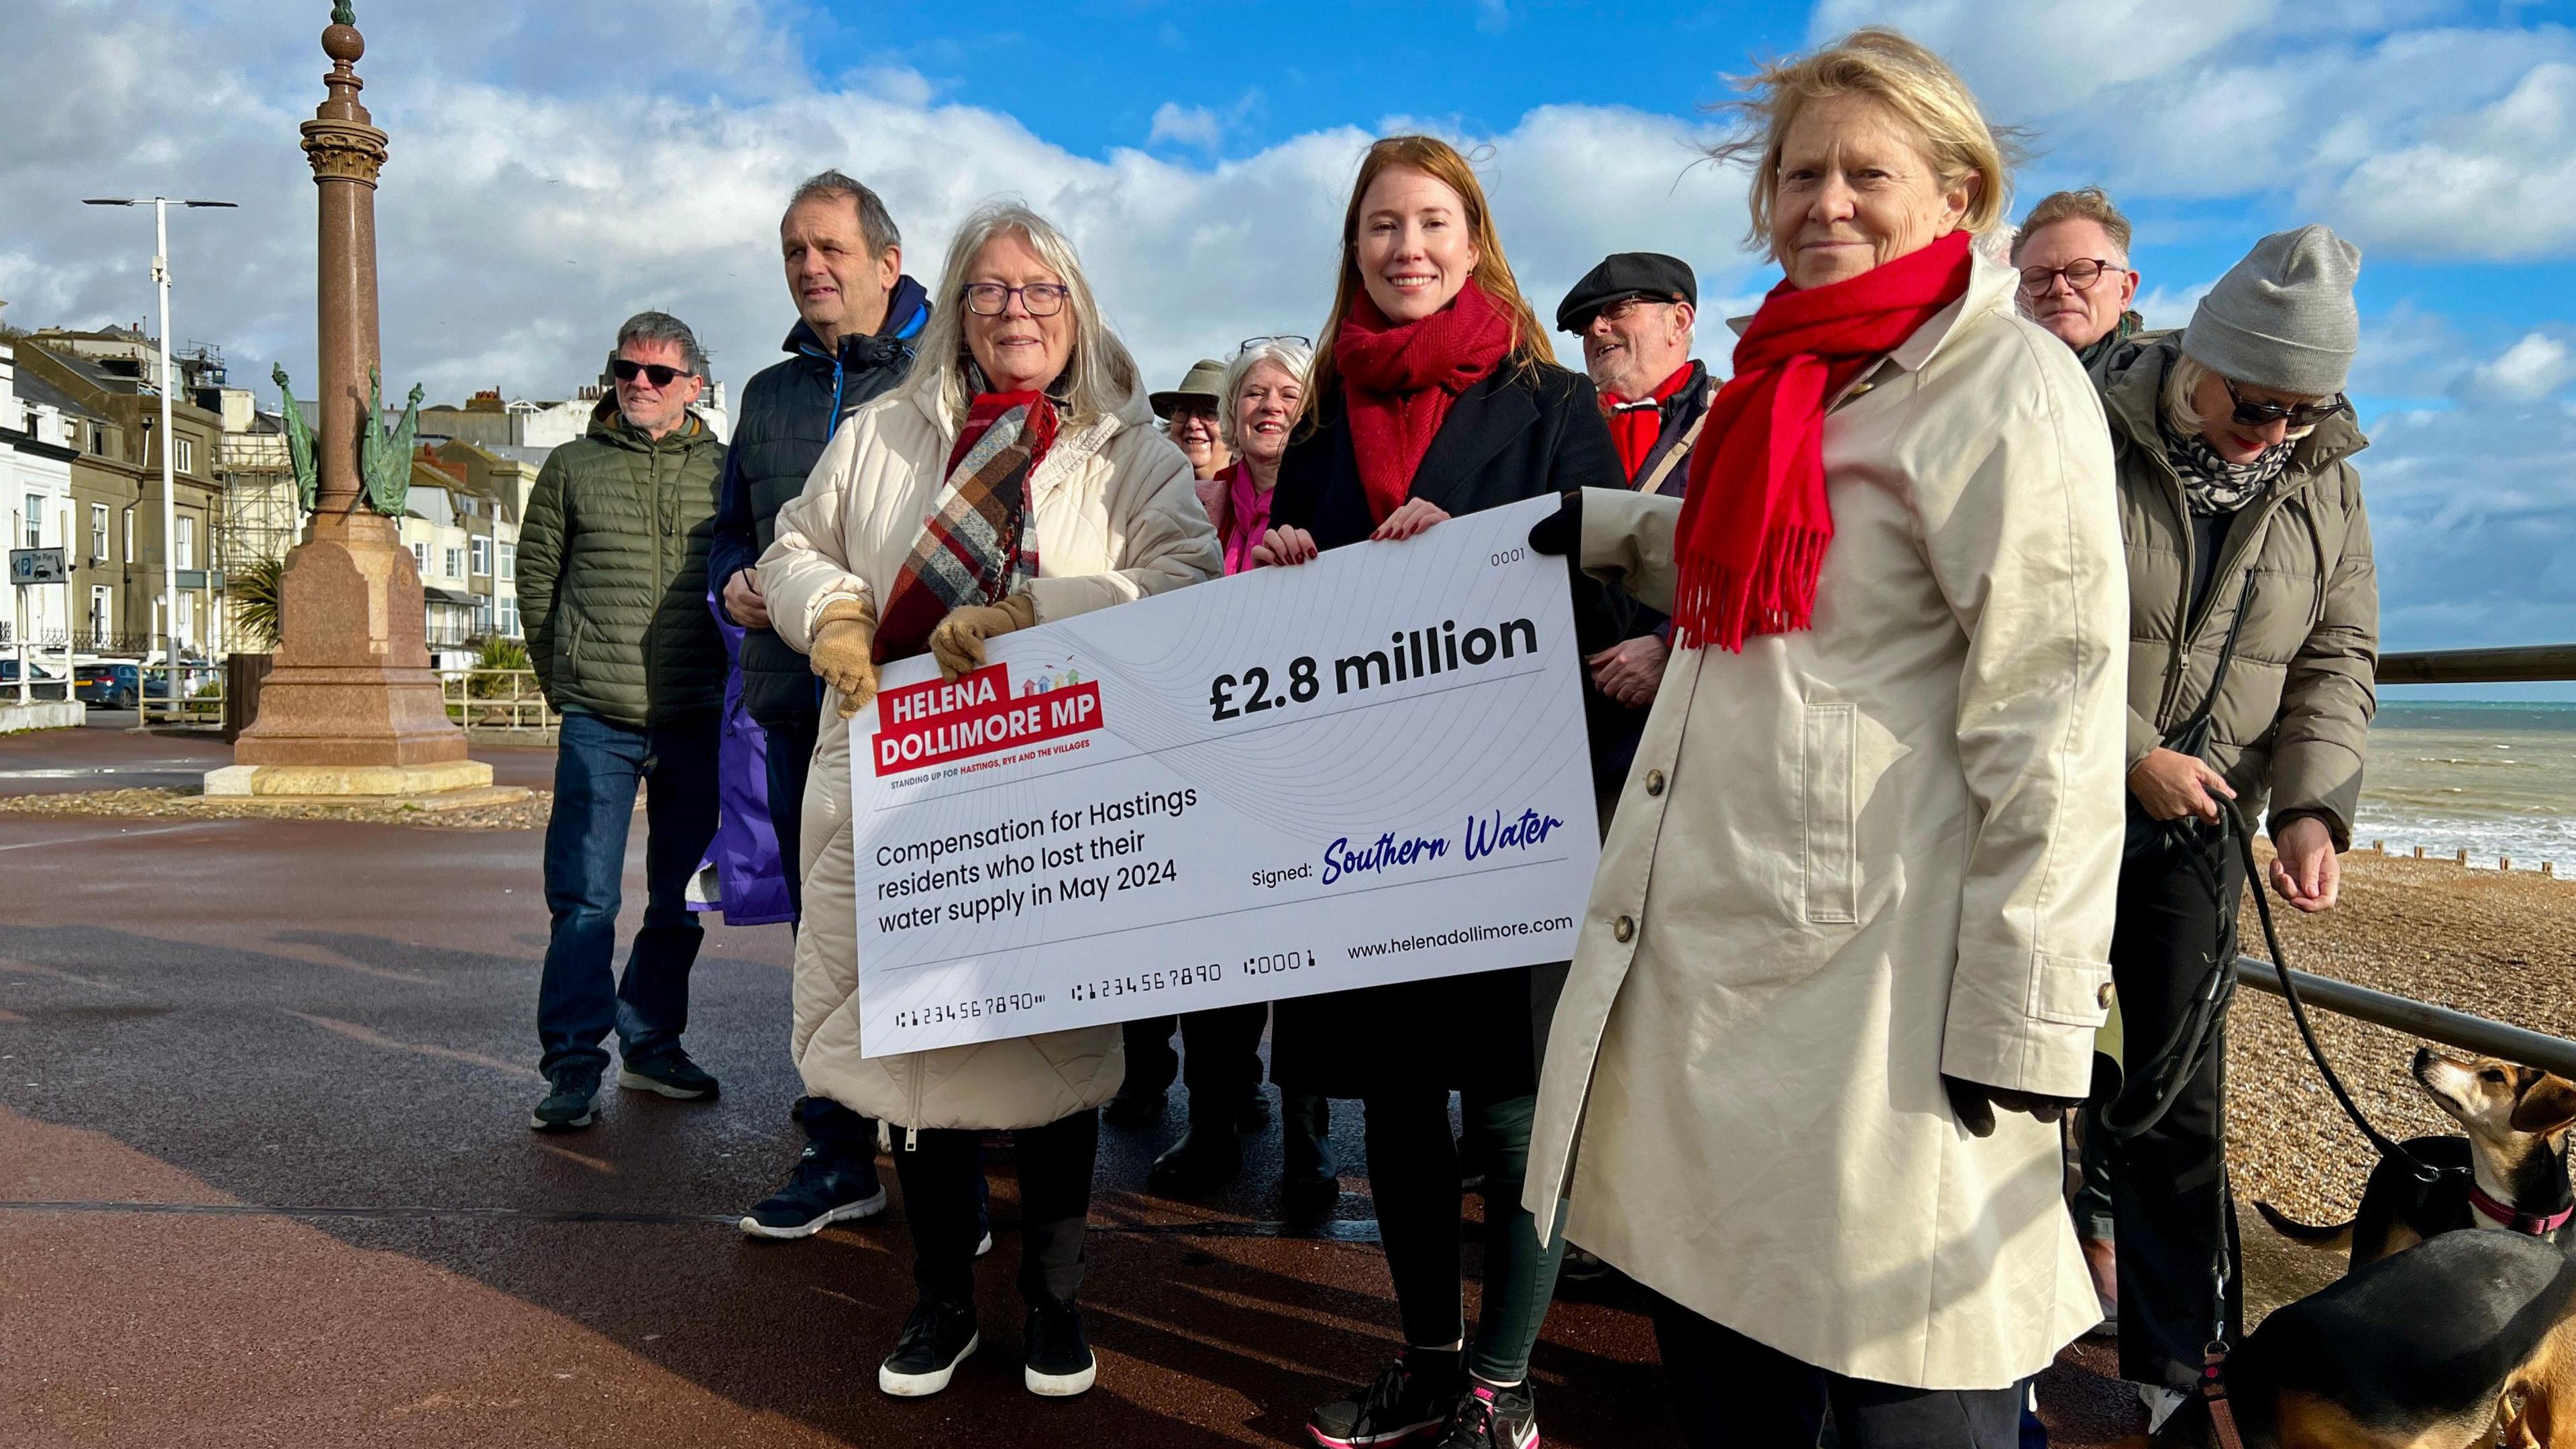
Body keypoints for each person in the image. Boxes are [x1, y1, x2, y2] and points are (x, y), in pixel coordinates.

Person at [1521, 29, 2129, 1448]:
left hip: (1882, 983)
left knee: (1904, 1382)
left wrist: (2029, 1015)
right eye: (1802, 175)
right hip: (1723, 961)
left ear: (1957, 194)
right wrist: (1606, 533)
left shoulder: (2002, 383)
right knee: (1735, 1358)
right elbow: (1787, 572)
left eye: (1869, 173)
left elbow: (2055, 705)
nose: (1826, 203)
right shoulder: (1786, 383)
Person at [759, 201, 1220, 1401]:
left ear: (1077, 307)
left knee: (1055, 1053)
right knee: (924, 1055)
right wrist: (836, 614)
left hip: (1062, 790)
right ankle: (940, 1304)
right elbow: (791, 547)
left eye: (1041, 290)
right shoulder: (880, 433)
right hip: (907, 780)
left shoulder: (1132, 449)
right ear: (957, 307)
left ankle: (1056, 1306)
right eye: (993, 291)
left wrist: (1038, 617)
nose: (1018, 311)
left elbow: (1185, 581)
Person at [1255, 134, 1623, 1449]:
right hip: (1363, 812)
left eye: (1431, 223)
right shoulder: (1313, 417)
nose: (1405, 248)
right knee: (1393, 1096)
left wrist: (1469, 553)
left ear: (1476, 241)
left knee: (1515, 1097)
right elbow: (1285, 612)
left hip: (1512, 805)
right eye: (1380, 228)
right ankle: (1424, 1355)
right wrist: (1292, 561)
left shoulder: (1551, 399)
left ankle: (1503, 1381)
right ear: (1352, 249)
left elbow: (1611, 579)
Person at [2094, 225, 2376, 1430]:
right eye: (2256, 402)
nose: (2273, 433)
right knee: (2007, 1072)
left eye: (2302, 413)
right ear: (2197, 358)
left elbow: (2336, 654)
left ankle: (2171, 1369)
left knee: (2178, 1103)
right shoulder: (2080, 429)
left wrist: (2311, 805)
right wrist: (2127, 754)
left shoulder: (2326, 476)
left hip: (2203, 824)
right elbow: (1998, 620)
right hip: (2043, 805)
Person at [705, 170, 931, 1240]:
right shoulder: (768, 396)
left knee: (939, 921)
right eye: (795, 250)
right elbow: (729, 532)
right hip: (798, 703)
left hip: (925, 704)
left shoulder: (946, 375)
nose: (810, 268)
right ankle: (841, 1150)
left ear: (888, 261)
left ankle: (954, 1155)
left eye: (831, 248)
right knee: (826, 941)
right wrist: (734, 586)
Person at [1114, 336, 1338, 1212]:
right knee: (1213, 960)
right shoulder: (1194, 500)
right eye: (1254, 393)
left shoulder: (1337, 493)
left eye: (1288, 392)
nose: (1270, 406)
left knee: (1312, 970)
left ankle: (1311, 1149)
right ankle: (1210, 1127)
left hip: (1311, 759)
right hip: (1208, 759)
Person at [521, 312, 730, 1132]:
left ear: (694, 387)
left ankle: (651, 1042)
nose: (639, 384)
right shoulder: (571, 467)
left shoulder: (725, 471)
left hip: (696, 715)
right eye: (626, 369)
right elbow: (536, 581)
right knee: (583, 901)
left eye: (658, 374)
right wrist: (564, 683)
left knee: (678, 897)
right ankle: (573, 1065)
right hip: (598, 719)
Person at [2012, 184, 2145, 1332]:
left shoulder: (2166, 407)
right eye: (2041, 273)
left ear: (2125, 283)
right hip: (2047, 764)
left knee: (2137, 1065)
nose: (2060, 289)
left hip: (2153, 781)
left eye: (2082, 271)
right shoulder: (1998, 393)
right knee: (2043, 1027)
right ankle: (2049, 1268)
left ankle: (2123, 1285)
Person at [1558, 252, 1708, 807]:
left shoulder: (1740, 418)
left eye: (1618, 309)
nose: (1596, 328)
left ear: (1681, 320)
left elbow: (1773, 567)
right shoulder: (1554, 432)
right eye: (1585, 323)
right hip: (1573, 754)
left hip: (1694, 740)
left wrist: (1673, 646)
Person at [2012, 186, 2143, 370]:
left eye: (2081, 272)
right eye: (2038, 278)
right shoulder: (1985, 382)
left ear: (2125, 291)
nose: (2059, 288)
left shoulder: (2175, 382)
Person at [1151, 358, 1231, 480]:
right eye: (1183, 410)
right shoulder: (1146, 488)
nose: (1193, 423)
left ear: (1236, 428)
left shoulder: (1264, 491)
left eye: (1210, 412)